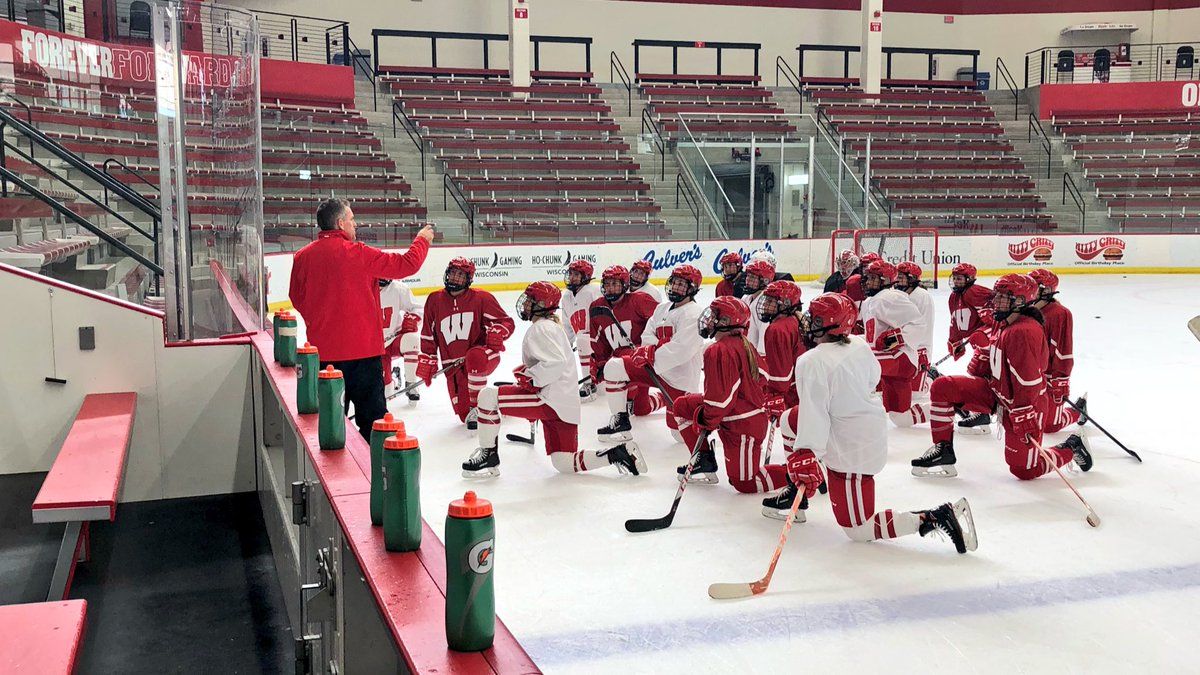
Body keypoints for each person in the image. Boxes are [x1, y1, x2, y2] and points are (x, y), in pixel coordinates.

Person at [760, 293, 977, 555]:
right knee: (789, 420)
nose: (807, 323)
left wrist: (806, 452)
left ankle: (935, 516)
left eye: (815, 320)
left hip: (852, 448)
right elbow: (872, 378)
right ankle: (798, 492)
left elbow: (815, 414)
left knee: (858, 530)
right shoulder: (858, 343)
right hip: (864, 424)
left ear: (831, 325)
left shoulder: (811, 361)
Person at [912, 274, 1091, 480]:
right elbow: (997, 360)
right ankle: (943, 450)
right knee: (942, 387)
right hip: (997, 393)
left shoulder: (1024, 331)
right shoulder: (1005, 321)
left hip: (1023, 406)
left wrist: (1024, 414)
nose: (996, 301)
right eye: (997, 296)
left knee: (1024, 470)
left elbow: (1028, 381)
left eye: (1004, 298)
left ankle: (1072, 447)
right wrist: (981, 354)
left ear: (1021, 301)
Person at [462, 282, 646, 478]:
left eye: (530, 300)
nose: (525, 303)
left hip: (547, 400)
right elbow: (553, 362)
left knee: (488, 396)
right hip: (565, 405)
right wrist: (529, 374)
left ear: (542, 304)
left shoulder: (541, 328)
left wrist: (531, 379)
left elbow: (555, 363)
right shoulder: (551, 327)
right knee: (564, 462)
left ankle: (488, 457)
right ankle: (618, 454)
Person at [289, 198, 434, 440]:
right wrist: (422, 240)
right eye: (352, 219)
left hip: (324, 357)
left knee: (331, 424)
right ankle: (371, 464)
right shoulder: (359, 254)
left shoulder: (302, 257)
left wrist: (321, 320)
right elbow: (407, 265)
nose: (355, 224)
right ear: (340, 223)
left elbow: (296, 298)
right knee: (373, 423)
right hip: (364, 357)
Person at [670, 297, 788, 493]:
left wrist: (707, 419)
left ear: (725, 322)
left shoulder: (718, 350)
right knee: (682, 406)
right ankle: (703, 459)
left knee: (744, 483)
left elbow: (720, 401)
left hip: (743, 426)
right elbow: (763, 377)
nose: (709, 320)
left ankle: (795, 474)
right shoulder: (743, 343)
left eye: (714, 316)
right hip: (735, 413)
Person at [597, 264, 705, 445]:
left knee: (680, 436)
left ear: (692, 289)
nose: (675, 287)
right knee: (614, 367)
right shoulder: (662, 308)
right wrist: (655, 348)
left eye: (681, 284)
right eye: (674, 282)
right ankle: (620, 424)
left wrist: (653, 351)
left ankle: (694, 407)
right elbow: (647, 336)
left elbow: (681, 350)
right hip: (654, 367)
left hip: (679, 379)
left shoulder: (694, 314)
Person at [417, 257, 515, 429]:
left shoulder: (481, 298)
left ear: (468, 279)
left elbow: (506, 322)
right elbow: (428, 334)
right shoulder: (434, 300)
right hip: (453, 366)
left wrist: (498, 333)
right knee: (464, 415)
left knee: (475, 356)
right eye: (453, 273)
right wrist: (428, 358)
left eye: (460, 275)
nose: (455, 278)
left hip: (482, 356)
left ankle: (479, 408)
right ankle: (507, 396)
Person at [590, 265, 661, 433]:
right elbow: (599, 341)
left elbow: (662, 320)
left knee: (640, 409)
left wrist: (654, 347)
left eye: (615, 284)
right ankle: (620, 417)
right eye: (607, 284)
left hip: (642, 360)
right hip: (619, 361)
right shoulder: (596, 307)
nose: (610, 288)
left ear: (625, 285)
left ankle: (663, 399)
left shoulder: (639, 300)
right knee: (638, 407)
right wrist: (600, 363)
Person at [860, 260, 926, 427]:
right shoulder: (869, 302)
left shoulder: (889, 298)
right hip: (890, 366)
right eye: (868, 278)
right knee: (901, 418)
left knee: (859, 363)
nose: (868, 282)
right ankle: (938, 408)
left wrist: (896, 337)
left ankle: (944, 406)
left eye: (873, 278)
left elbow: (919, 324)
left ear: (886, 280)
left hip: (901, 360)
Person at [1030, 269, 1088, 433]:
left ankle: (1077, 411)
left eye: (1038, 288)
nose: (1033, 292)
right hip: (1027, 375)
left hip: (1048, 374)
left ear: (1048, 291)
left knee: (1050, 426)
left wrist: (1060, 381)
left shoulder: (1060, 314)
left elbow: (1064, 350)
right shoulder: (1023, 310)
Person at [946, 262, 995, 431]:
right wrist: (954, 341)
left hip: (993, 344)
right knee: (976, 372)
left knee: (978, 372)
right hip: (979, 346)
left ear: (970, 279)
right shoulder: (953, 297)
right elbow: (955, 322)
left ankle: (985, 412)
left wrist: (984, 334)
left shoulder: (975, 292)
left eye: (960, 279)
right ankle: (982, 411)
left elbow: (997, 320)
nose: (956, 281)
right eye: (955, 278)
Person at [760, 280, 806, 414]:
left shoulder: (777, 329)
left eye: (770, 301)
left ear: (785, 304)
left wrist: (774, 395)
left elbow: (781, 377)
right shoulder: (795, 320)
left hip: (791, 395)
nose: (765, 305)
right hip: (802, 389)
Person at [561, 259, 603, 402]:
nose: (572, 277)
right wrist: (566, 343)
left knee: (582, 339)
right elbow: (567, 323)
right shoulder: (566, 296)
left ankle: (589, 384)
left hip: (601, 338)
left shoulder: (594, 291)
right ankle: (589, 379)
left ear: (586, 277)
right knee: (580, 340)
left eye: (576, 275)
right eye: (571, 274)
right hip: (585, 342)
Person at [896, 261, 934, 419]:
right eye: (897, 276)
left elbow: (918, 327)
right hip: (905, 345)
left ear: (911, 278)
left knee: (916, 394)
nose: (898, 279)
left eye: (901, 276)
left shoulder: (920, 296)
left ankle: (931, 378)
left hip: (919, 348)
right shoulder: (903, 294)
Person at [378, 278, 423, 400]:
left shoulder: (398, 288)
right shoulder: (363, 289)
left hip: (394, 340)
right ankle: (393, 376)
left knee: (411, 339)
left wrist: (413, 318)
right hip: (374, 348)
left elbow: (418, 308)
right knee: (386, 395)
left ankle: (411, 383)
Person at [741, 258, 776, 355]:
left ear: (765, 281)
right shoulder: (746, 298)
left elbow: (763, 344)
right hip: (745, 352)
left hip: (755, 356)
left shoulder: (765, 305)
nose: (748, 280)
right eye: (748, 276)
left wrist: (760, 357)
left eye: (752, 277)